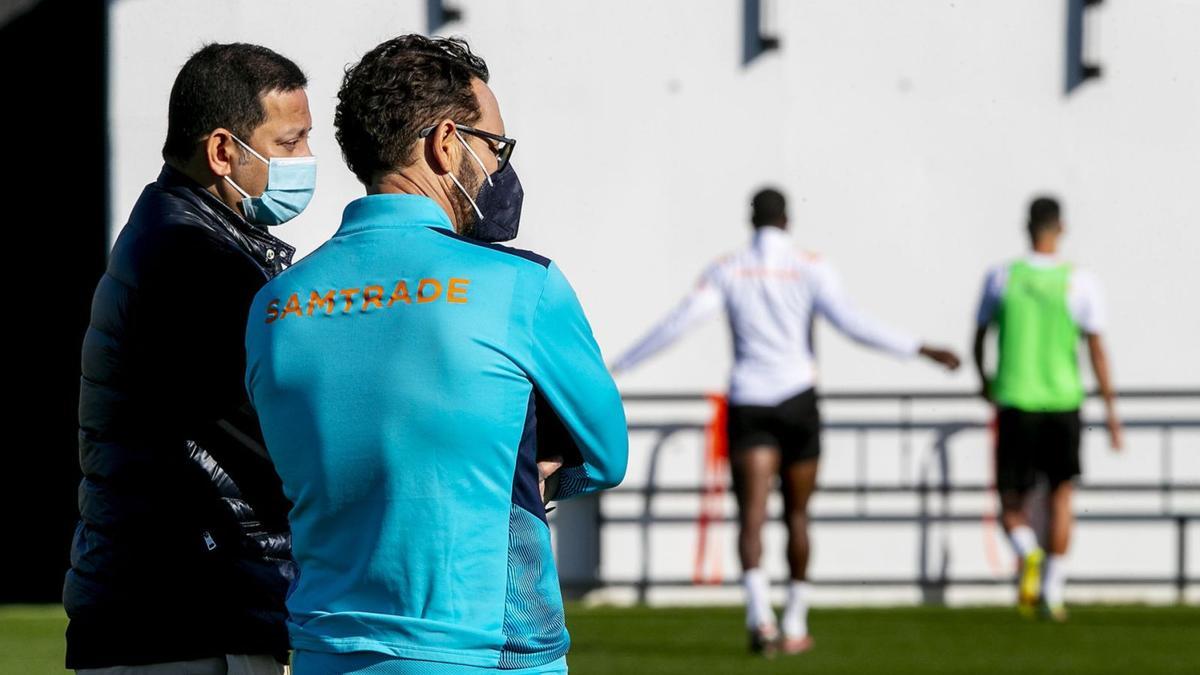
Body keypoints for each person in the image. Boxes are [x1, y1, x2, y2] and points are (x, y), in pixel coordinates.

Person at [244, 35, 628, 675]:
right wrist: (526, 472)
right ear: (447, 144)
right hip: (484, 652)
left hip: (326, 650)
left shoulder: (274, 305)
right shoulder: (522, 285)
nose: (501, 169)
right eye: (496, 147)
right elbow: (605, 456)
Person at [610, 188, 961, 655]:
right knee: (798, 515)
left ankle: (761, 618)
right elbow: (854, 322)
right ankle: (795, 622)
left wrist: (617, 367)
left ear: (750, 219)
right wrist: (920, 347)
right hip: (798, 400)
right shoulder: (810, 265)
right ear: (788, 219)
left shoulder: (728, 267)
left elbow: (680, 322)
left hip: (750, 401)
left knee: (751, 517)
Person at [66, 43, 316, 674]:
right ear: (223, 151)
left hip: (169, 602)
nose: (306, 161)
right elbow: (274, 434)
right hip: (189, 607)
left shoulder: (184, 235)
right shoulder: (191, 255)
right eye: (289, 143)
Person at [973, 195, 1122, 621]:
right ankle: (1053, 592)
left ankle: (1026, 551)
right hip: (1063, 402)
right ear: (1061, 228)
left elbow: (978, 336)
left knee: (1011, 498)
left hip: (1016, 400)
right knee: (1061, 494)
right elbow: (1096, 349)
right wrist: (1111, 412)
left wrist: (985, 381)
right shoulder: (1079, 281)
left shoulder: (1002, 277)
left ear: (1026, 227)